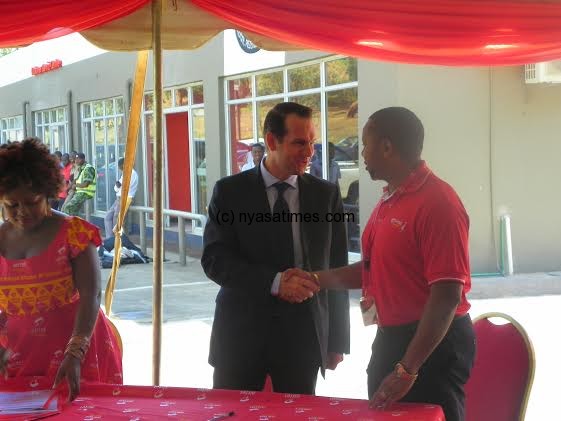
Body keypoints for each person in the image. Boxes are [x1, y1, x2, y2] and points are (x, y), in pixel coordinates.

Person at [290, 107, 475, 421]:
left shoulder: (438, 203)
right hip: (392, 337)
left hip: (432, 345)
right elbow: (371, 269)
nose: (361, 152)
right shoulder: (391, 197)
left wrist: (407, 368)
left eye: (365, 144)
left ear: (387, 147)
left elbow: (446, 296)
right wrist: (315, 279)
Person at [202, 102, 350, 395]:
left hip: (303, 338)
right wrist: (274, 282)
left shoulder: (326, 195)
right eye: (299, 143)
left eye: (312, 142)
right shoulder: (230, 192)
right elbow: (215, 259)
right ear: (272, 141)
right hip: (241, 336)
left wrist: (336, 341)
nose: (309, 152)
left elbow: (337, 268)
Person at [0, 138, 122, 400]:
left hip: (77, 348)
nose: (22, 212)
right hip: (17, 353)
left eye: (32, 202)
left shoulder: (75, 233)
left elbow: (91, 296)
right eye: (12, 205)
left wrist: (75, 352)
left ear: (48, 193)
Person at [104, 158, 138, 239]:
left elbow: (119, 186)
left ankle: (118, 240)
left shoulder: (130, 173)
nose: (119, 168)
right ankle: (110, 238)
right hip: (119, 198)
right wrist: (118, 185)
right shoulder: (125, 173)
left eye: (119, 166)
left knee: (117, 219)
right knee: (108, 217)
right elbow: (117, 187)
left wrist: (118, 185)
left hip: (125, 198)